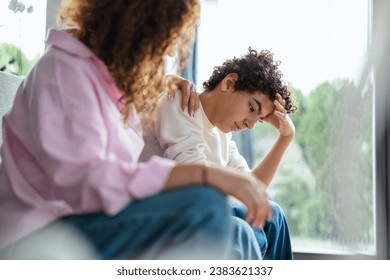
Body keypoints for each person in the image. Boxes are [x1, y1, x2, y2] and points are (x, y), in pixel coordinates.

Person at [0, 0, 273, 260]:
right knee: (205, 206)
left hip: (90, 216)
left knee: (237, 229)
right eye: (162, 39)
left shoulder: (113, 87)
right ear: (133, 27)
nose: (166, 53)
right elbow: (88, 182)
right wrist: (204, 175)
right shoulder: (63, 70)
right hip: (43, 226)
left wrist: (159, 82)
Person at [140, 47, 297, 259]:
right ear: (229, 83)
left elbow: (252, 188)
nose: (250, 125)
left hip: (198, 210)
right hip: (163, 214)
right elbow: (197, 187)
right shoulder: (180, 101)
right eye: (252, 108)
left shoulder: (223, 136)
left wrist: (285, 138)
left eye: (258, 119)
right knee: (250, 226)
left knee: (273, 214)